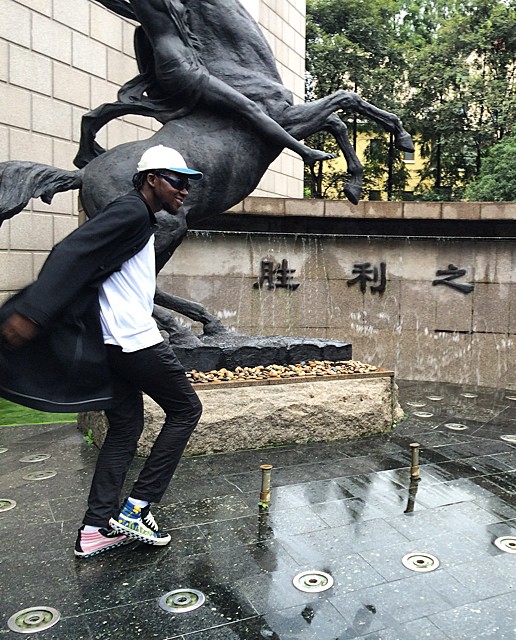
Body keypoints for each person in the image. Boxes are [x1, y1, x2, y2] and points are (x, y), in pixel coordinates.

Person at [0, 145, 203, 558]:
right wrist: (35, 312)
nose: (184, 190)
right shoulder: (130, 212)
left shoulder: (140, 218)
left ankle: (95, 528)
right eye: (177, 181)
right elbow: (71, 252)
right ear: (151, 180)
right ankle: (138, 509)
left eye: (188, 182)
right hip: (133, 340)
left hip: (111, 342)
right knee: (186, 410)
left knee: (126, 427)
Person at [88, 0, 335, 166]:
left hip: (186, 60)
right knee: (249, 108)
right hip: (178, 67)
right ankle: (304, 152)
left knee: (242, 107)